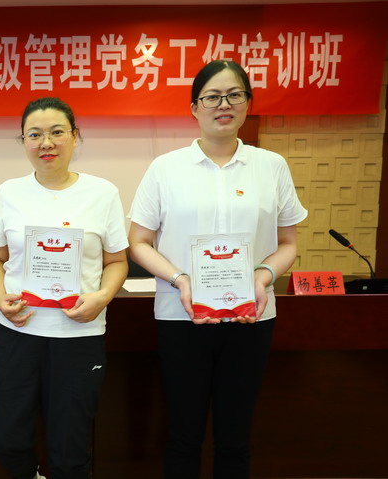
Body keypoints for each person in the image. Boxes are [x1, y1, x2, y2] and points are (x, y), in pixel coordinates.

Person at [128, 60, 308, 478]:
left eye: (234, 95)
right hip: (182, 315)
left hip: (251, 316)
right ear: (195, 107)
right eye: (212, 97)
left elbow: (288, 243)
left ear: (248, 103)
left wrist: (263, 277)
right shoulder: (165, 168)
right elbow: (138, 242)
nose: (223, 105)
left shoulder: (271, 166)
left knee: (235, 435)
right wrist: (180, 280)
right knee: (183, 433)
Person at [0, 97, 129, 479]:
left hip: (78, 335)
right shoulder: (9, 192)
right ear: (23, 141)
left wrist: (102, 297)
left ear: (75, 136)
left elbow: (118, 262)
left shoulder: (103, 193)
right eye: (34, 135)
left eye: (56, 132)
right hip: (18, 331)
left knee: (71, 445)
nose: (45, 143)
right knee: (8, 437)